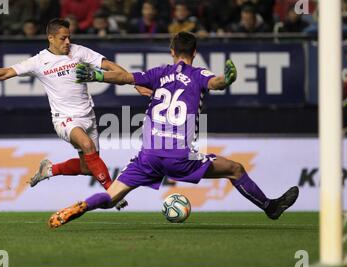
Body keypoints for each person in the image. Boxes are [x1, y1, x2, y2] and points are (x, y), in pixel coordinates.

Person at [47, 31, 299, 228]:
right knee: (235, 169)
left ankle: (80, 206)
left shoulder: (159, 73)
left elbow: (125, 78)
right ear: (195, 52)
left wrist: (97, 77)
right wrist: (227, 79)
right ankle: (269, 207)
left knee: (112, 196)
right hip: (180, 157)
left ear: (171, 52)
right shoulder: (199, 74)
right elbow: (216, 82)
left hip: (148, 156)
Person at [0, 18, 137, 209]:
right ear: (51, 38)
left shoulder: (79, 51)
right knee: (87, 145)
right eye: (63, 38)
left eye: (69, 37)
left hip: (88, 116)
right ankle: (112, 193)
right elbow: (5, 73)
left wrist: (133, 81)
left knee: (87, 167)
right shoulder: (39, 61)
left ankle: (49, 170)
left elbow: (109, 66)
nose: (67, 42)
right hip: (64, 119)